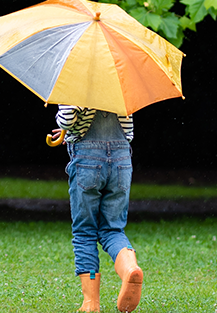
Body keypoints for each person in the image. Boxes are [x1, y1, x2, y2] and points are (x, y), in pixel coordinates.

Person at [49, 104, 143, 312]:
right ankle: (129, 269)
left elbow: (66, 119)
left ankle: (91, 302)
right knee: (113, 229)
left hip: (88, 162)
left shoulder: (77, 78)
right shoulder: (121, 79)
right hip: (121, 160)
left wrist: (68, 128)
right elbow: (127, 128)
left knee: (85, 231)